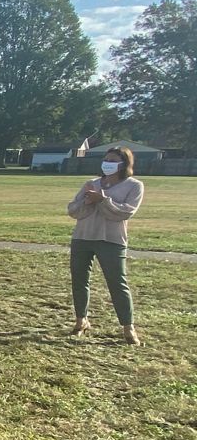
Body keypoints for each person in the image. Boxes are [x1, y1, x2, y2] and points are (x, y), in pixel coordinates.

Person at [67, 146, 144, 345]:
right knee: (79, 280)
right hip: (83, 237)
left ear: (123, 164)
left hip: (111, 240)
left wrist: (102, 200)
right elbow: (73, 210)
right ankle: (80, 321)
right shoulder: (91, 183)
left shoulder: (134, 186)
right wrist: (87, 201)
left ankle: (128, 327)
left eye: (113, 160)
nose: (107, 164)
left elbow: (124, 213)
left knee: (117, 283)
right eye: (106, 159)